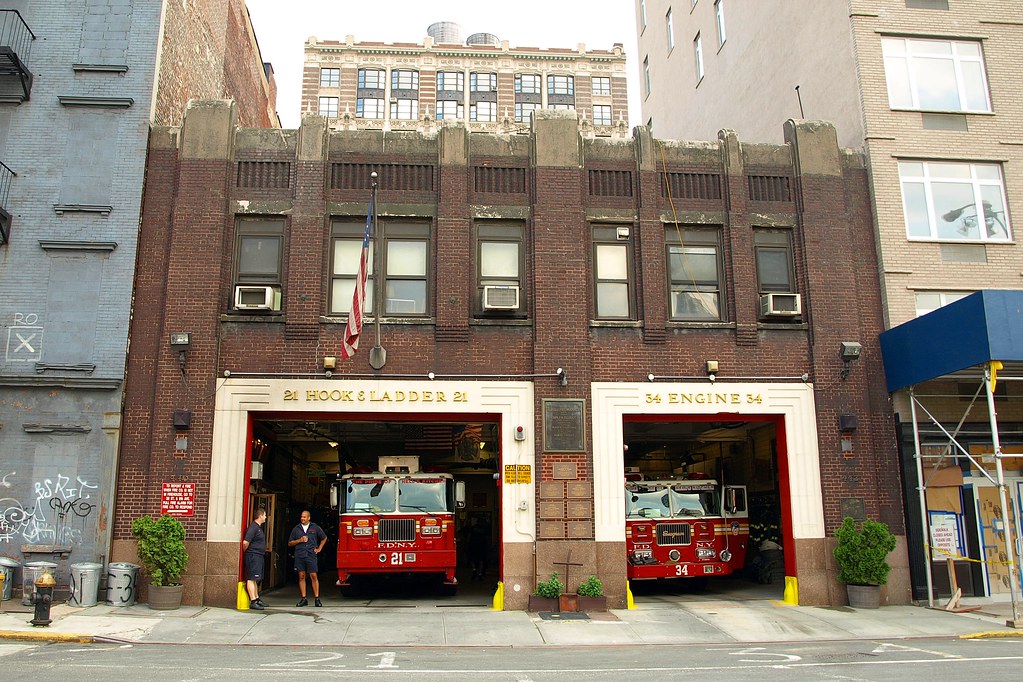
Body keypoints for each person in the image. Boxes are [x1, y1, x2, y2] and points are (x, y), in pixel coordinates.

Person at [288, 509, 327, 607]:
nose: (302, 518)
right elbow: (290, 543)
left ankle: (317, 598)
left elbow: (324, 537)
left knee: (313, 576)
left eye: (304, 517)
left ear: (309, 518)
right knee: (301, 576)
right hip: (299, 555)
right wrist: (299, 540)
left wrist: (319, 548)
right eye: (301, 517)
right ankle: (303, 598)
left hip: (311, 555)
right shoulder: (296, 529)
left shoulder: (315, 527)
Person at [242, 507, 269, 609]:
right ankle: (253, 601)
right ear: (260, 515)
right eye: (265, 515)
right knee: (251, 577)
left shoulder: (258, 528)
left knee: (255, 578)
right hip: (253, 555)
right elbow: (245, 542)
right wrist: (248, 552)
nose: (266, 517)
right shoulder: (253, 527)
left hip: (258, 555)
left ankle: (257, 599)